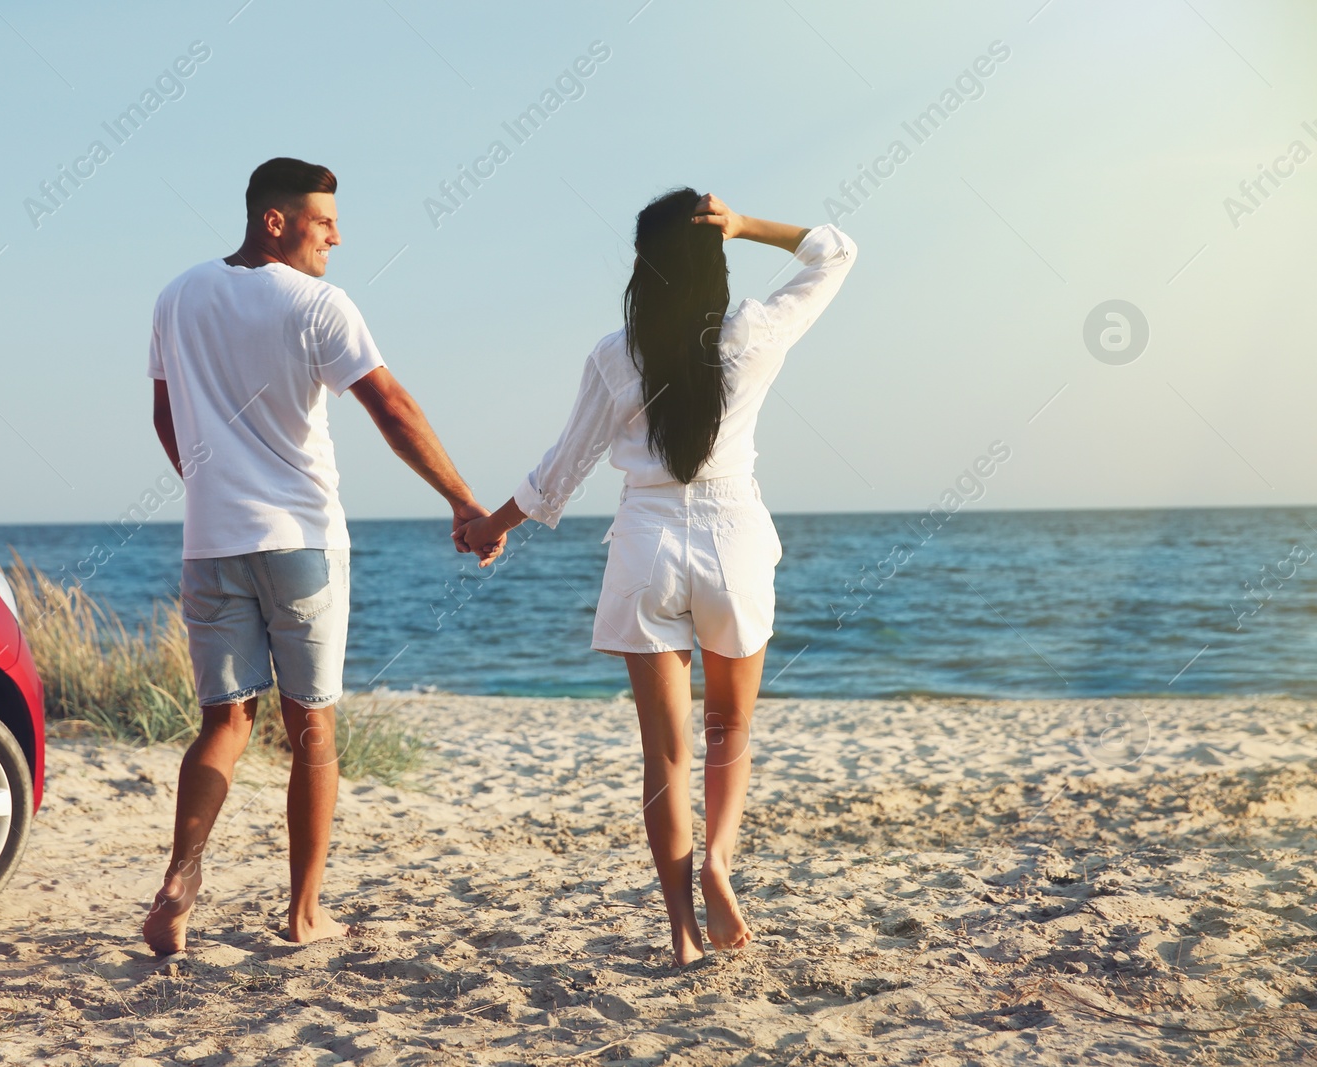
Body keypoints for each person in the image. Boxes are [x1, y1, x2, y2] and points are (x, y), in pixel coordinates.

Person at [461, 190, 856, 965]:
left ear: (641, 264)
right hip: (733, 541)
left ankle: (679, 932)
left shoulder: (616, 354)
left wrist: (487, 527)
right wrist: (745, 224)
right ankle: (718, 862)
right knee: (728, 731)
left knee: (664, 754)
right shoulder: (755, 329)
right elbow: (835, 250)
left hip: (646, 545)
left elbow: (560, 470)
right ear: (715, 258)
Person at [143, 157, 500, 953]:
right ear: (276, 220)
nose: (338, 234)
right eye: (323, 219)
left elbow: (166, 418)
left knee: (224, 724)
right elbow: (393, 407)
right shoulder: (319, 305)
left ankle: (181, 878)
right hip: (302, 541)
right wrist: (464, 502)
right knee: (313, 731)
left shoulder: (178, 295)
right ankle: (304, 914)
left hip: (211, 545)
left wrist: (213, 487)